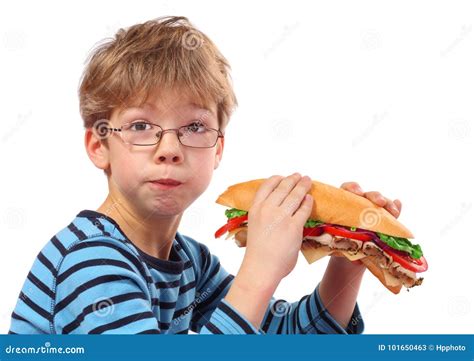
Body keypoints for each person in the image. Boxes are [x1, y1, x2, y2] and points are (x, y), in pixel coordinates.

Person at [8, 16, 402, 334]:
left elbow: (282, 340)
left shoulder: (189, 262)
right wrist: (258, 272)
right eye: (141, 126)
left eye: (194, 127)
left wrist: (351, 255)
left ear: (218, 149)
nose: (169, 149)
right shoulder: (90, 260)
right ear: (99, 146)